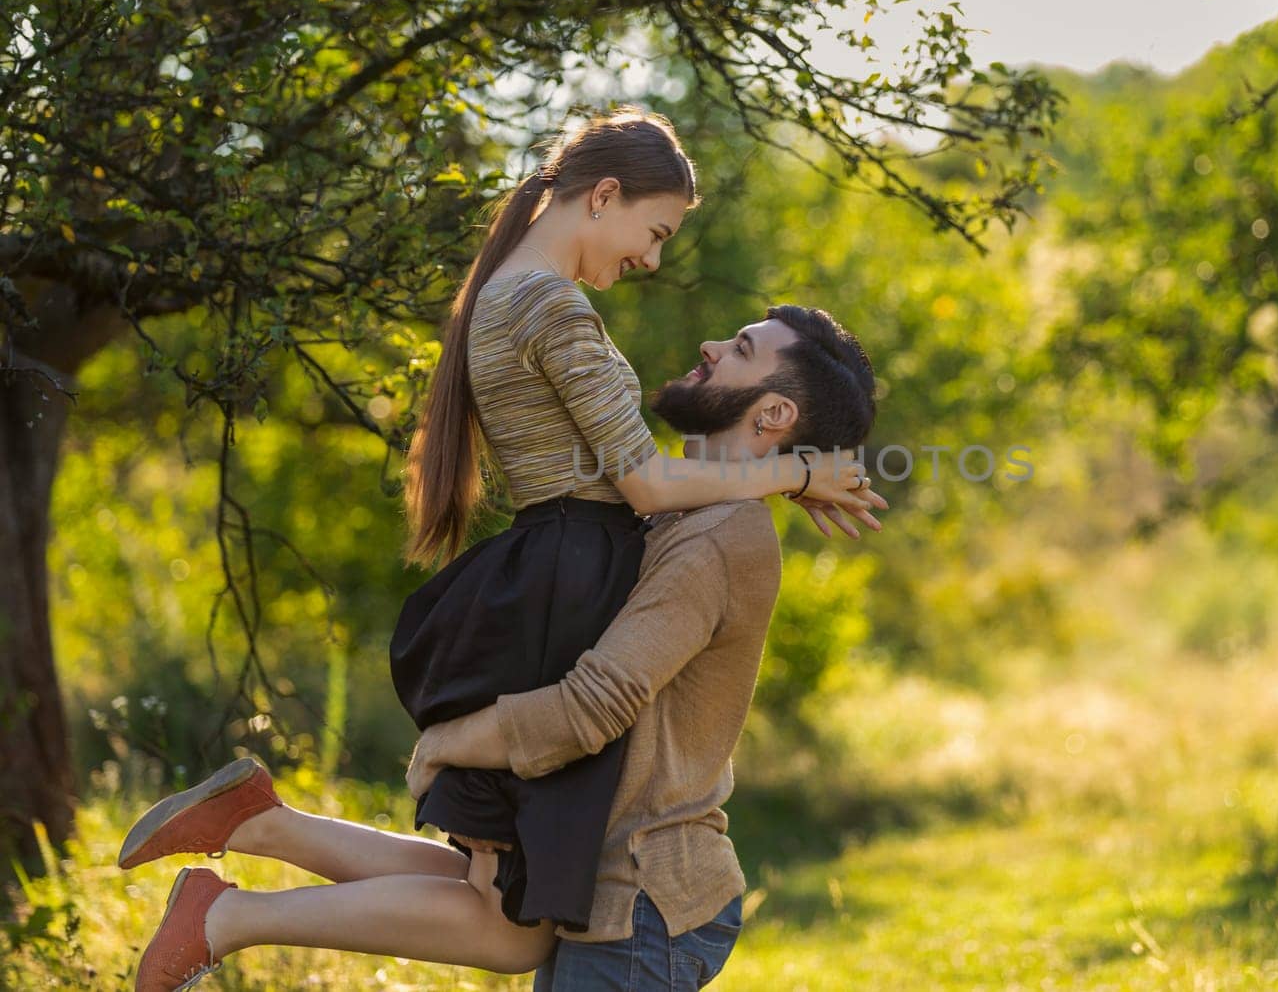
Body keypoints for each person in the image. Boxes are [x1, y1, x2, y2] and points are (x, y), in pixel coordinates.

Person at [119, 306, 877, 991]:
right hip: (595, 865)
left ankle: (239, 891)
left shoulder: (719, 535)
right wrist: (795, 470)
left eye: (740, 348)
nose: (711, 342)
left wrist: (455, 744)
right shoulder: (681, 505)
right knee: (491, 912)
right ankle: (251, 852)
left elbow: (597, 701)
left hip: (642, 895)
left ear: (775, 409)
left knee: (499, 922)